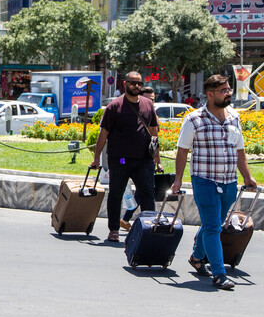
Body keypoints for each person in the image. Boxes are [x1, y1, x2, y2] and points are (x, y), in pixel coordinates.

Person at [170, 75, 257, 290]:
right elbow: (182, 151)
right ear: (210, 94)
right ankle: (219, 274)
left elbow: (240, 151)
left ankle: (197, 257)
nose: (228, 93)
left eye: (228, 89)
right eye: (223, 90)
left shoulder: (234, 117)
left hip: (229, 182)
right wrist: (178, 181)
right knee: (211, 226)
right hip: (204, 181)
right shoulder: (194, 120)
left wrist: (247, 176)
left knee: (214, 224)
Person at [91, 71, 159, 242]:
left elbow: (153, 131)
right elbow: (103, 133)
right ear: (125, 84)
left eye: (139, 83)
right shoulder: (114, 106)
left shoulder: (148, 105)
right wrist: (97, 157)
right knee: (116, 193)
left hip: (143, 159)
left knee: (147, 194)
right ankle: (114, 229)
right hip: (120, 159)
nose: (136, 86)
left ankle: (149, 228)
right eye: (132, 83)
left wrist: (157, 156)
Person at [119, 86, 163, 231]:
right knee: (144, 192)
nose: (151, 103)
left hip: (146, 160)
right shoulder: (131, 112)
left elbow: (155, 139)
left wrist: (158, 160)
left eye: (153, 100)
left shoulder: (152, 114)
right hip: (128, 159)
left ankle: (130, 220)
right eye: (149, 100)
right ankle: (130, 220)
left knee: (144, 192)